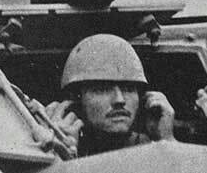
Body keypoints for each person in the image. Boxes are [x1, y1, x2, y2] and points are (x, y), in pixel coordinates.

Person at [48, 34, 176, 157]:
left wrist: (167, 142)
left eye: (129, 89)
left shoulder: (152, 149)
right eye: (102, 89)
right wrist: (60, 154)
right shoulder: (52, 148)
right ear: (75, 101)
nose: (120, 100)